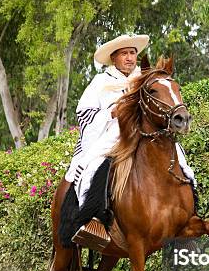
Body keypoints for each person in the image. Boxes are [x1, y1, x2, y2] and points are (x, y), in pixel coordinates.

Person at [64, 34, 196, 243]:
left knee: (180, 157)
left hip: (144, 132)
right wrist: (111, 112)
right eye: (124, 53)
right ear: (114, 58)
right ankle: (93, 220)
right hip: (112, 133)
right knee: (93, 164)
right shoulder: (101, 82)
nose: (129, 58)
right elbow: (83, 113)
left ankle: (189, 207)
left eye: (132, 53)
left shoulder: (144, 77)